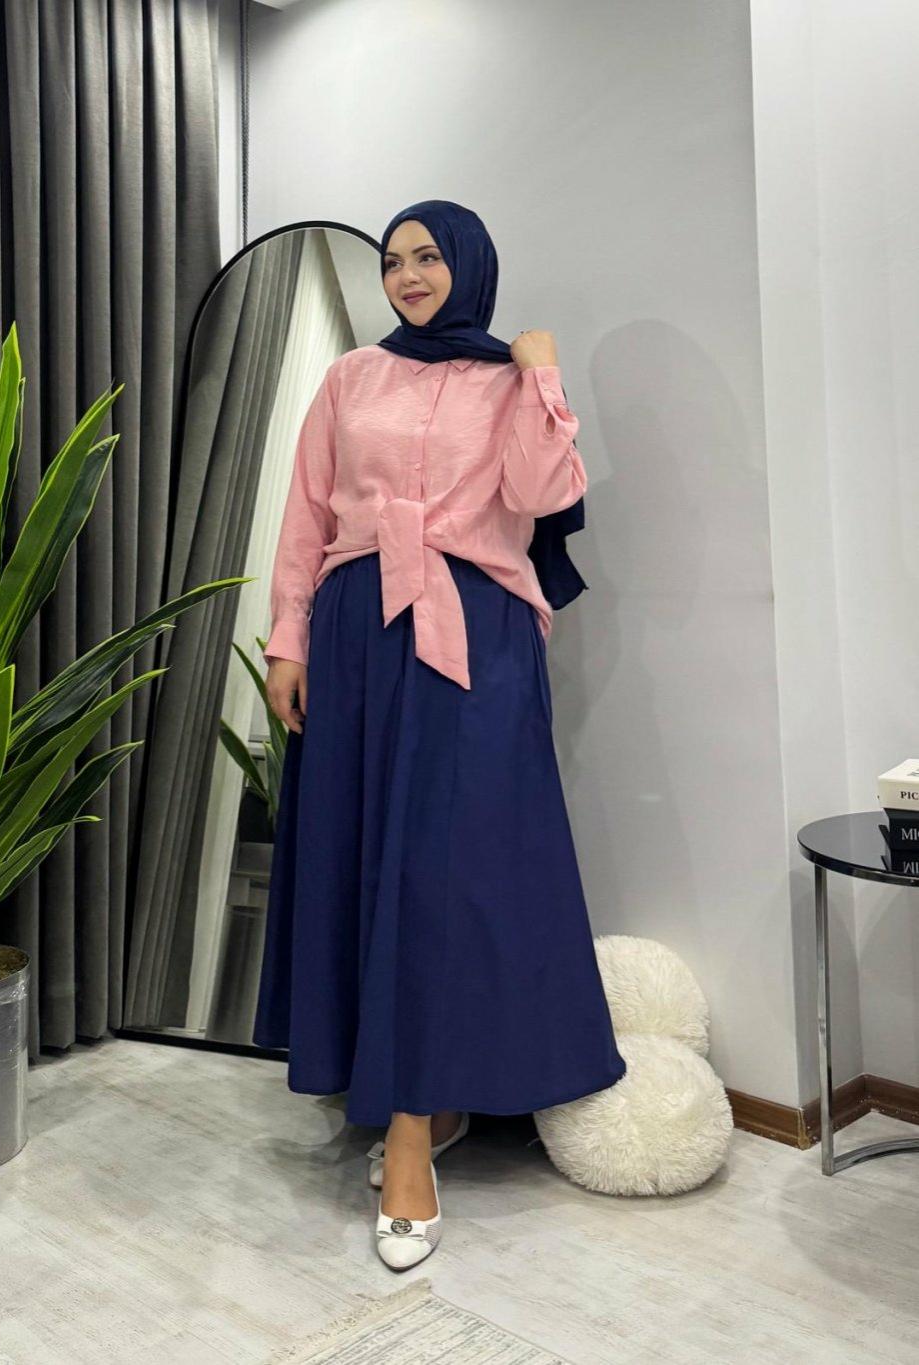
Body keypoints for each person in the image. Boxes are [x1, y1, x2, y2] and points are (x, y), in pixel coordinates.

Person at [254, 200, 626, 1270]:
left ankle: (417, 1122)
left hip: (478, 634)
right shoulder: (350, 379)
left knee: (455, 871)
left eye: (427, 256)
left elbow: (540, 493)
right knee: (372, 859)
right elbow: (307, 516)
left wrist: (541, 375)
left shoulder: (511, 379)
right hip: (358, 630)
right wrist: (288, 640)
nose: (408, 275)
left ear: (468, 264)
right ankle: (418, 1101)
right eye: (392, 260)